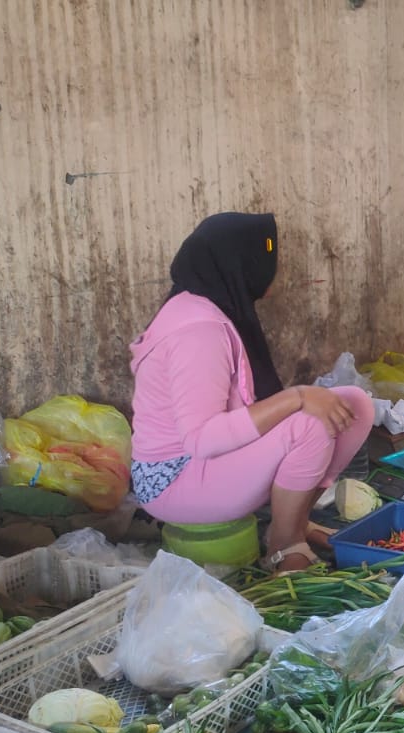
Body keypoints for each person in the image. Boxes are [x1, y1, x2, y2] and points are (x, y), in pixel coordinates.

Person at [129, 213, 374, 573]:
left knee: (352, 405)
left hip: (199, 465)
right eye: (268, 258)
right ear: (240, 263)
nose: (275, 268)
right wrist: (299, 396)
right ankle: (283, 544)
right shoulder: (200, 331)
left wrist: (303, 399)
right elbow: (201, 439)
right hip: (173, 481)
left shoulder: (208, 303)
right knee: (309, 426)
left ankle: (294, 521)